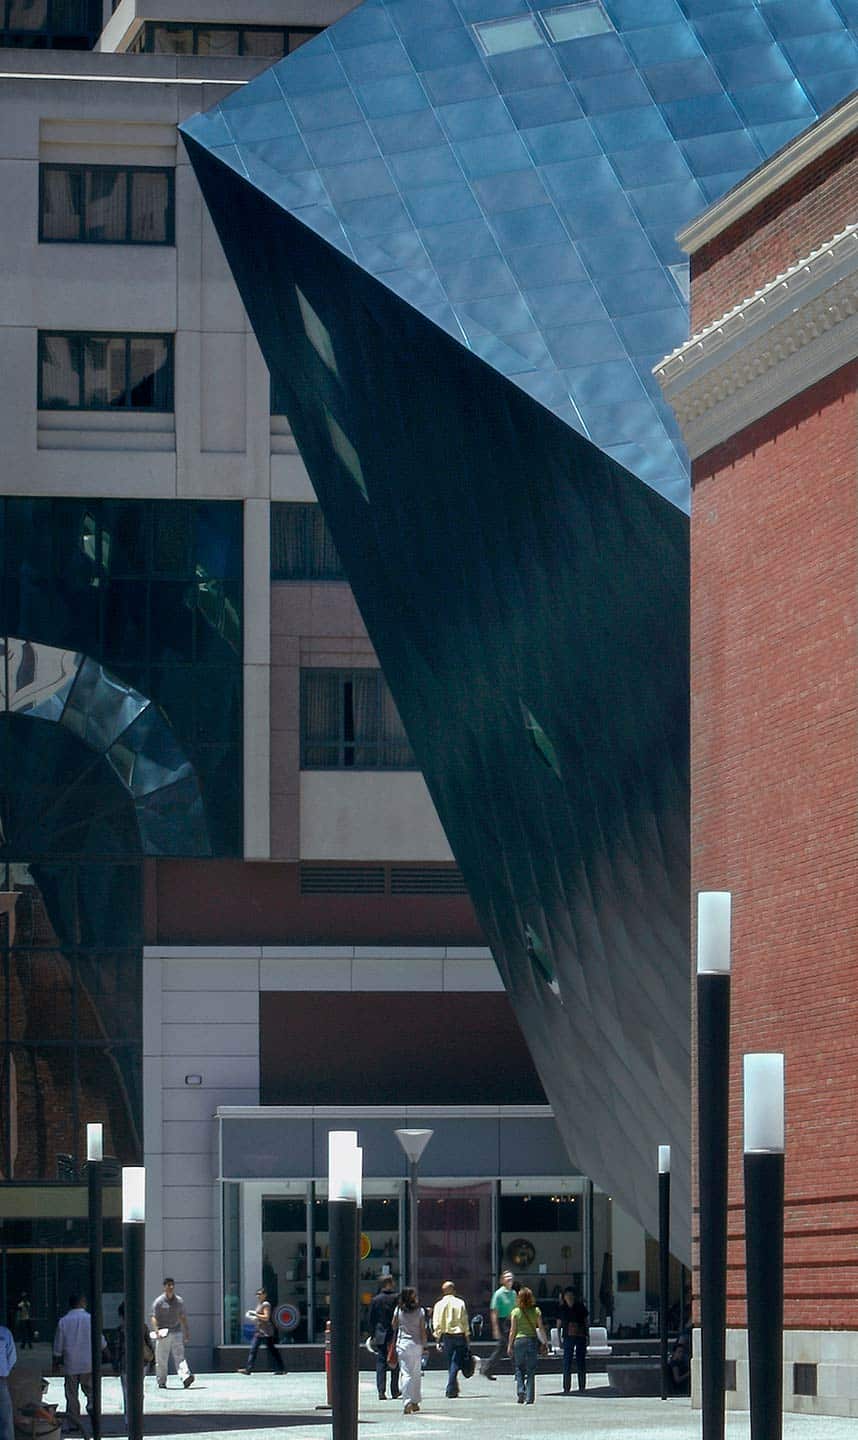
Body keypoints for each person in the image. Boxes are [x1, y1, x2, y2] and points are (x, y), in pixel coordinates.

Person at [53, 1295, 104, 1434]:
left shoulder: (63, 1321)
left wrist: (56, 1362)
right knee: (91, 1392)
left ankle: (73, 1422)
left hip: (71, 1364)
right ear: (82, 1303)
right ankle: (93, 1411)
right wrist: (108, 1354)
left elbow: (58, 1344)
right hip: (89, 1363)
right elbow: (100, 1341)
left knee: (71, 1395)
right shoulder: (90, 1319)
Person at [149, 1278, 194, 1390]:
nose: (171, 1287)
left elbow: (182, 1317)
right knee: (161, 1359)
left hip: (176, 1331)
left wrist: (186, 1332)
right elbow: (153, 1317)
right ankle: (161, 1381)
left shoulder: (179, 1301)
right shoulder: (159, 1302)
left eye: (172, 1285)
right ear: (164, 1287)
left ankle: (186, 1377)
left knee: (180, 1356)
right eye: (168, 1285)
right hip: (163, 1333)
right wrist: (156, 1330)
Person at [507, 1285, 547, 1405]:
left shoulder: (515, 1312)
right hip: (531, 1341)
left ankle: (520, 1391)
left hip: (519, 1341)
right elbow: (541, 1328)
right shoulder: (536, 1311)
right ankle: (529, 1397)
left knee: (519, 1367)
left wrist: (509, 1345)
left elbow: (512, 1331)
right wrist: (545, 1342)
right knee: (531, 1369)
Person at [431, 1280, 470, 1400]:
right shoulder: (460, 1303)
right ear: (453, 1290)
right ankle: (451, 1387)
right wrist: (467, 1338)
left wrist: (437, 1339)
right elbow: (464, 1321)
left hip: (447, 1336)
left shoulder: (438, 1304)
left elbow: (436, 1323)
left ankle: (453, 1387)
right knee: (456, 1361)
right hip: (459, 1335)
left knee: (450, 1362)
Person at [237, 1289, 285, 1375]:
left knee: (272, 1351)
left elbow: (266, 1317)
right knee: (254, 1350)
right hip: (259, 1331)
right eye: (257, 1294)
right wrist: (254, 1318)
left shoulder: (266, 1304)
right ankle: (248, 1369)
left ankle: (281, 1368)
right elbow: (260, 1317)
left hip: (266, 1332)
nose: (258, 1296)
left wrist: (255, 1314)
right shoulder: (260, 1304)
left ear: (265, 1295)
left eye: (259, 1294)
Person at [393, 1288, 425, 1416]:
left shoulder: (398, 1310)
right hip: (416, 1344)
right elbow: (422, 1330)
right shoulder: (420, 1311)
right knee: (416, 1373)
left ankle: (406, 1401)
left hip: (403, 1344)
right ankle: (416, 1401)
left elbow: (393, 1325)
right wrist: (425, 1345)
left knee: (405, 1373)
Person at [367, 1277, 399, 1401]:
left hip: (380, 1333)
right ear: (389, 1284)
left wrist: (372, 1333)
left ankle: (381, 1391)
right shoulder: (396, 1298)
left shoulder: (375, 1299)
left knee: (381, 1363)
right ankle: (394, 1390)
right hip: (393, 1333)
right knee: (394, 1361)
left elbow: (371, 1318)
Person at [481, 1270, 516, 1381]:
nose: (510, 1279)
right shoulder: (498, 1294)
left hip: (512, 1321)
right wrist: (495, 1328)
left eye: (511, 1277)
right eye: (507, 1277)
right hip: (502, 1323)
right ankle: (518, 1370)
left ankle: (487, 1369)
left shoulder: (514, 1293)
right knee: (511, 1346)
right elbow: (494, 1312)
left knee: (502, 1348)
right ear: (502, 1280)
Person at [557, 1285, 589, 1394]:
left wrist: (587, 1335)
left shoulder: (580, 1306)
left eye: (571, 1295)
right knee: (567, 1362)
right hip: (567, 1337)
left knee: (581, 1362)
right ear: (564, 1297)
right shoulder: (562, 1308)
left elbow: (586, 1322)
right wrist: (559, 1339)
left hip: (580, 1336)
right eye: (567, 1295)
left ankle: (582, 1386)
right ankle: (566, 1387)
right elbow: (558, 1325)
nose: (569, 1297)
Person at [0, 1323, 16, 1440]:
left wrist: (4, 1371)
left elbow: (12, 1357)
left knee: (5, 1417)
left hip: (1, 1380)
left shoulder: (5, 1333)